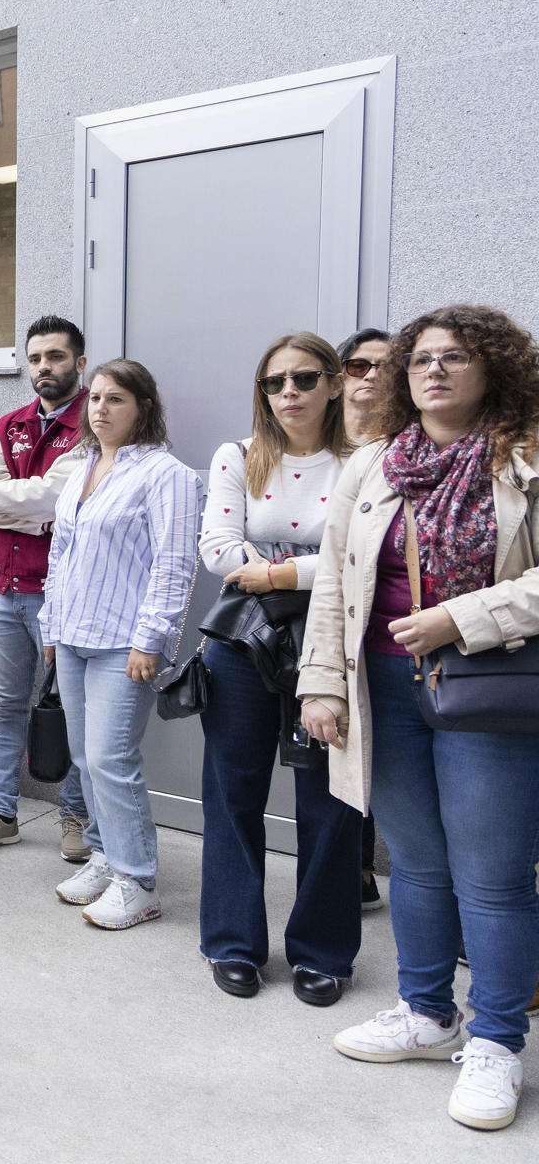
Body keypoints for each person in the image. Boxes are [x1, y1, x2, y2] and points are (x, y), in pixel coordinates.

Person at [300, 304, 539, 1132]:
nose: (434, 370)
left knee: (495, 878)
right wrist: (321, 682)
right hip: (384, 687)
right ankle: (429, 1014)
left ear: (493, 368)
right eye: (421, 359)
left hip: (488, 685)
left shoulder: (526, 458)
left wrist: (461, 618)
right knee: (417, 865)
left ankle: (498, 1042)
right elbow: (333, 577)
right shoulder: (375, 464)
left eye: (456, 357)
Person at [197, 332, 362, 1004]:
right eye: (274, 382)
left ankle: (322, 951)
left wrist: (275, 571)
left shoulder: (361, 463)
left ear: (332, 383)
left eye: (303, 378)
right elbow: (217, 551)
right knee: (232, 791)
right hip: (244, 644)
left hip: (330, 646)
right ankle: (233, 942)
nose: (288, 393)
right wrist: (308, 570)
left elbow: (366, 561)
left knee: (331, 799)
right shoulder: (238, 456)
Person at [41, 359, 203, 930]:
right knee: (85, 758)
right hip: (73, 635)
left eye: (116, 400)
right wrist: (50, 626)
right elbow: (60, 555)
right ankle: (105, 857)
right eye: (96, 399)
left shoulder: (168, 475)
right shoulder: (83, 467)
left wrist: (151, 640)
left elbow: (176, 565)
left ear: (144, 408)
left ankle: (137, 880)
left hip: (123, 643)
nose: (101, 409)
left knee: (112, 759)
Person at [0, 315, 93, 861]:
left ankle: (75, 816)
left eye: (56, 357)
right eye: (35, 358)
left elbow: (58, 502)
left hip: (57, 594)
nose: (44, 368)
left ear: (79, 363)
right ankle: (2, 812)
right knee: (4, 705)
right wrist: (18, 507)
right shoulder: (8, 423)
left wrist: (1, 502)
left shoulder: (94, 421)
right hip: (0, 587)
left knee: (71, 709)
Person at [337, 325, 394, 913]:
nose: (370, 376)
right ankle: (351, 868)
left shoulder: (404, 448)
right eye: (357, 366)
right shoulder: (326, 447)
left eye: (384, 365)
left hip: (390, 628)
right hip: (325, 622)